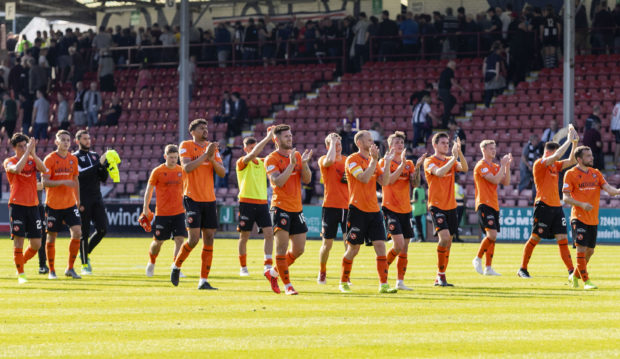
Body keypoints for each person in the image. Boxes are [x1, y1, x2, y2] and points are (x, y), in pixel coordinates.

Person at [339, 130, 397, 294]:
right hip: (357, 210)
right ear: (359, 143)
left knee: (380, 246)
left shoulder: (374, 161)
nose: (373, 143)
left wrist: (386, 163)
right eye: (369, 140)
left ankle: (383, 284)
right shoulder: (352, 160)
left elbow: (385, 181)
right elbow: (363, 178)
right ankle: (343, 281)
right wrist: (374, 161)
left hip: (374, 210)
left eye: (373, 140)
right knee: (353, 249)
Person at [517, 125, 579, 279]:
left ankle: (571, 271)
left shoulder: (554, 165)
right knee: (535, 238)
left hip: (557, 207)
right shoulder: (540, 164)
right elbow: (558, 156)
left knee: (563, 239)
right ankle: (522, 269)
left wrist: (575, 143)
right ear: (549, 152)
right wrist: (568, 141)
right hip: (543, 206)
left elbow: (571, 160)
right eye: (556, 152)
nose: (558, 155)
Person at [170, 119, 225, 290]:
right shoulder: (186, 145)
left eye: (206, 127)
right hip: (192, 197)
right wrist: (205, 155)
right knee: (193, 239)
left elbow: (222, 172)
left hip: (209, 199)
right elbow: (186, 168)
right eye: (201, 128)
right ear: (192, 131)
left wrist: (212, 157)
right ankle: (176, 265)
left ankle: (203, 280)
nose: (205, 130)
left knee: (209, 238)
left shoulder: (211, 148)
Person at [264, 124, 313, 295]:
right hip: (280, 207)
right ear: (276, 140)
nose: (290, 138)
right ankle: (288, 286)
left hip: (296, 209)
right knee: (282, 248)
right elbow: (277, 182)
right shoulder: (271, 159)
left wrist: (304, 164)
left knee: (299, 249)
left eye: (291, 135)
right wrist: (292, 165)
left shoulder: (297, 155)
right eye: (286, 136)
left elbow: (307, 180)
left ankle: (273, 273)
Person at [563, 146, 620, 289]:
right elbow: (565, 198)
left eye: (591, 155)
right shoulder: (570, 174)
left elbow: (610, 190)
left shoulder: (596, 173)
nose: (592, 158)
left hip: (593, 218)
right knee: (581, 249)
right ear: (579, 159)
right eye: (588, 156)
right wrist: (581, 204)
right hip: (578, 216)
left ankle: (574, 275)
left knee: (590, 251)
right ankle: (586, 281)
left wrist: (618, 191)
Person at [379, 132, 426, 291]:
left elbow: (416, 183)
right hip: (390, 207)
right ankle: (383, 269)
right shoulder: (384, 162)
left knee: (405, 247)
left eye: (402, 142)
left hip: (405, 208)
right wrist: (402, 165)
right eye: (397, 142)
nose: (400, 144)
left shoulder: (409, 163)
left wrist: (417, 168)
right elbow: (389, 181)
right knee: (398, 244)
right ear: (390, 145)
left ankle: (400, 281)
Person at [235, 128, 279, 294]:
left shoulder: (263, 162)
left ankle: (267, 264)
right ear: (245, 148)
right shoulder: (242, 162)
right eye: (250, 147)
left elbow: (275, 156)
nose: (253, 149)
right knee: (244, 235)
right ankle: (243, 267)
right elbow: (253, 155)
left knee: (269, 233)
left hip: (261, 202)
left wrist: (273, 138)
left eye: (254, 146)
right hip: (246, 201)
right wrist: (267, 138)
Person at [424, 132, 468, 286]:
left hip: (451, 206)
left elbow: (465, 168)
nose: (446, 146)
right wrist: (453, 158)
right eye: (443, 143)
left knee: (448, 241)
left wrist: (459, 153)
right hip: (436, 205)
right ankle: (440, 275)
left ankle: (441, 275)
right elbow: (440, 172)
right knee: (443, 238)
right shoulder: (429, 161)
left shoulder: (451, 160)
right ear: (435, 145)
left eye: (448, 143)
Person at [3, 133, 47, 283]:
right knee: (19, 241)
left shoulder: (31, 160)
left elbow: (44, 169)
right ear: (14, 147)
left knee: (36, 244)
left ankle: (20, 263)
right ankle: (21, 274)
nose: (23, 148)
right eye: (20, 146)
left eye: (25, 145)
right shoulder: (9, 161)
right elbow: (16, 169)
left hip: (33, 205)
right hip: (17, 206)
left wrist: (33, 154)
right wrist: (28, 152)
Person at [42, 130, 82, 280]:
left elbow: (76, 180)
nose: (66, 142)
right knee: (51, 237)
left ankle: (70, 268)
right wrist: (62, 182)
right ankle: (52, 270)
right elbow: (45, 182)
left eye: (68, 140)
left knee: (77, 232)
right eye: (63, 140)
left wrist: (78, 200)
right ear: (56, 142)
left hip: (70, 204)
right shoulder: (49, 159)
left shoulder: (73, 159)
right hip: (53, 205)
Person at [144, 145, 187, 277]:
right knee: (158, 242)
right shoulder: (157, 171)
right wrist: (145, 208)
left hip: (179, 212)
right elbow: (149, 190)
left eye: (176, 157)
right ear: (165, 157)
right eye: (171, 157)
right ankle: (151, 263)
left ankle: (176, 267)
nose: (174, 160)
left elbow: (186, 189)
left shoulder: (182, 170)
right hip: (162, 213)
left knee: (180, 240)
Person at [472, 140, 512, 276]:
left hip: (494, 204)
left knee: (493, 236)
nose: (494, 151)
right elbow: (494, 180)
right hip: (484, 203)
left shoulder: (495, 166)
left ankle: (488, 268)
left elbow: (506, 182)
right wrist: (502, 165)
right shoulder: (481, 165)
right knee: (492, 235)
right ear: (483, 150)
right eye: (490, 149)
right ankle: (477, 258)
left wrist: (507, 166)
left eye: (494, 148)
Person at [72, 130, 109, 275]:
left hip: (97, 197)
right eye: (85, 138)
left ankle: (84, 254)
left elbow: (103, 178)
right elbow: (81, 176)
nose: (88, 141)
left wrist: (104, 166)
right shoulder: (74, 158)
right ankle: (84, 265)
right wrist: (98, 165)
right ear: (78, 141)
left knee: (103, 229)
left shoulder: (95, 155)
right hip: (83, 198)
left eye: (89, 138)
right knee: (84, 232)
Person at [317, 133, 349, 285]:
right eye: (334, 144)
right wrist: (332, 141)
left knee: (348, 243)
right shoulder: (323, 159)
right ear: (328, 146)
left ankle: (346, 275)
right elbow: (330, 160)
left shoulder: (347, 160)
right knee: (327, 244)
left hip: (347, 207)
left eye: (339, 144)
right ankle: (322, 271)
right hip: (330, 206)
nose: (338, 147)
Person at [438, 61, 465, 129]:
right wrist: (461, 88)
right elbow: (452, 82)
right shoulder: (450, 71)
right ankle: (444, 125)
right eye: (455, 66)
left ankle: (447, 115)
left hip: (442, 91)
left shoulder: (443, 71)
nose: (455, 68)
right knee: (447, 109)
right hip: (445, 91)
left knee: (452, 100)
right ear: (452, 66)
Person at [411, 177, 426, 242]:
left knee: (417, 224)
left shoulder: (416, 189)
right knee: (420, 224)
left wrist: (408, 201)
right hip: (422, 209)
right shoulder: (422, 189)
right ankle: (422, 238)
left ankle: (420, 238)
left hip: (416, 209)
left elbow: (415, 200)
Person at [610, 100, 620, 168]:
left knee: (618, 145)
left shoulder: (617, 105)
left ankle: (615, 162)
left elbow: (611, 116)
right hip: (618, 127)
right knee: (618, 145)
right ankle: (615, 163)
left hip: (614, 127)